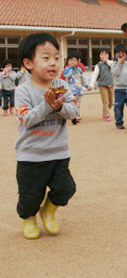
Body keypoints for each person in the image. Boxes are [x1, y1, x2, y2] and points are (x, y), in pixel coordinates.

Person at [15, 32, 79, 239]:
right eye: (46, 57)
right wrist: (47, 105)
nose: (53, 63)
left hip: (58, 152)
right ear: (28, 63)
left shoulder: (62, 85)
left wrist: (60, 107)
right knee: (30, 195)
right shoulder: (23, 90)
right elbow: (26, 119)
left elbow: (74, 111)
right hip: (31, 155)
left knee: (66, 188)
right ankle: (28, 218)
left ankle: (48, 211)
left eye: (56, 57)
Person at [63, 51, 89, 125]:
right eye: (71, 60)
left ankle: (76, 116)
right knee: (72, 104)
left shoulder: (79, 70)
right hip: (71, 91)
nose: (72, 62)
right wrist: (70, 68)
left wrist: (86, 85)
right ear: (68, 61)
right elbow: (66, 76)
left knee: (78, 104)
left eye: (74, 60)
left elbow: (83, 78)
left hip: (79, 90)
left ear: (78, 61)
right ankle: (73, 116)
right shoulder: (67, 69)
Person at [88, 48, 114, 121]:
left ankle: (105, 111)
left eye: (105, 54)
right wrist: (91, 85)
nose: (103, 56)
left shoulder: (111, 63)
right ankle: (107, 115)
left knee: (111, 102)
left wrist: (107, 61)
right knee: (105, 101)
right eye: (101, 54)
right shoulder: (98, 65)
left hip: (111, 85)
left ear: (109, 55)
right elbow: (94, 75)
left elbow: (114, 67)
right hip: (102, 85)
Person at [111, 44, 127, 129]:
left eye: (123, 54)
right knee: (118, 107)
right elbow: (115, 73)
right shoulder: (114, 64)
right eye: (119, 54)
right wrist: (119, 63)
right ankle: (119, 122)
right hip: (119, 89)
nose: (121, 56)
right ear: (115, 55)